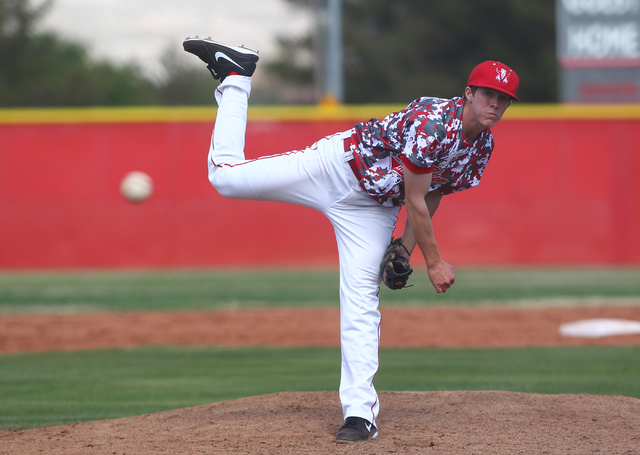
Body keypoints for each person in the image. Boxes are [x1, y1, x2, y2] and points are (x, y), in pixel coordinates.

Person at [183, 36, 519, 443]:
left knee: (362, 300)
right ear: (469, 93)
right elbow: (415, 196)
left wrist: (402, 247)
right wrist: (431, 260)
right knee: (226, 178)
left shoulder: (481, 147)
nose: (496, 105)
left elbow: (434, 191)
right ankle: (236, 76)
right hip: (336, 167)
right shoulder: (435, 123)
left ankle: (360, 413)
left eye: (504, 99)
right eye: (489, 94)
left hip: (372, 210)